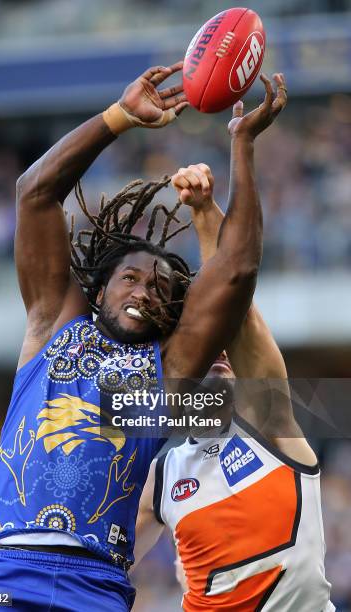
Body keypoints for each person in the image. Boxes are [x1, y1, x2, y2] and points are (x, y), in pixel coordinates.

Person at [0, 63, 286, 612]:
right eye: (130, 278)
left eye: (159, 287)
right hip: (1, 573)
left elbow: (235, 271)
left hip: (98, 586)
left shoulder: (171, 366)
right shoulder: (53, 325)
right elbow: (34, 194)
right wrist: (118, 118)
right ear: (99, 289)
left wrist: (242, 147)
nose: (143, 291)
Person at [134, 162, 334, 611]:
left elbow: (238, 303)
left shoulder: (269, 424)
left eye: (222, 343)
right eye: (205, 346)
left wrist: (205, 213)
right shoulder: (161, 476)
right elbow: (104, 571)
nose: (219, 350)